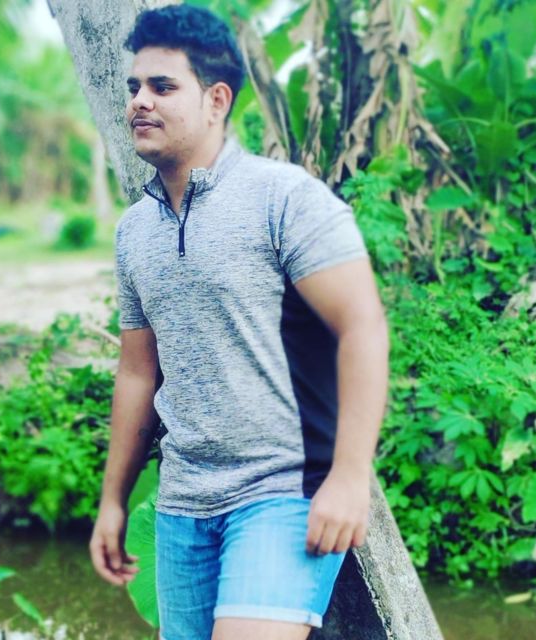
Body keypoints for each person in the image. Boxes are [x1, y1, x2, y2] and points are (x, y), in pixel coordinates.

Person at [89, 5, 390, 640]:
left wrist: (349, 477)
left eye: (163, 86)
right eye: (135, 86)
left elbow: (361, 327)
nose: (140, 101)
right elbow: (138, 372)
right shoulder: (135, 230)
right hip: (183, 501)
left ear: (216, 100)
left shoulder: (285, 199)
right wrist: (113, 500)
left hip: (283, 491)